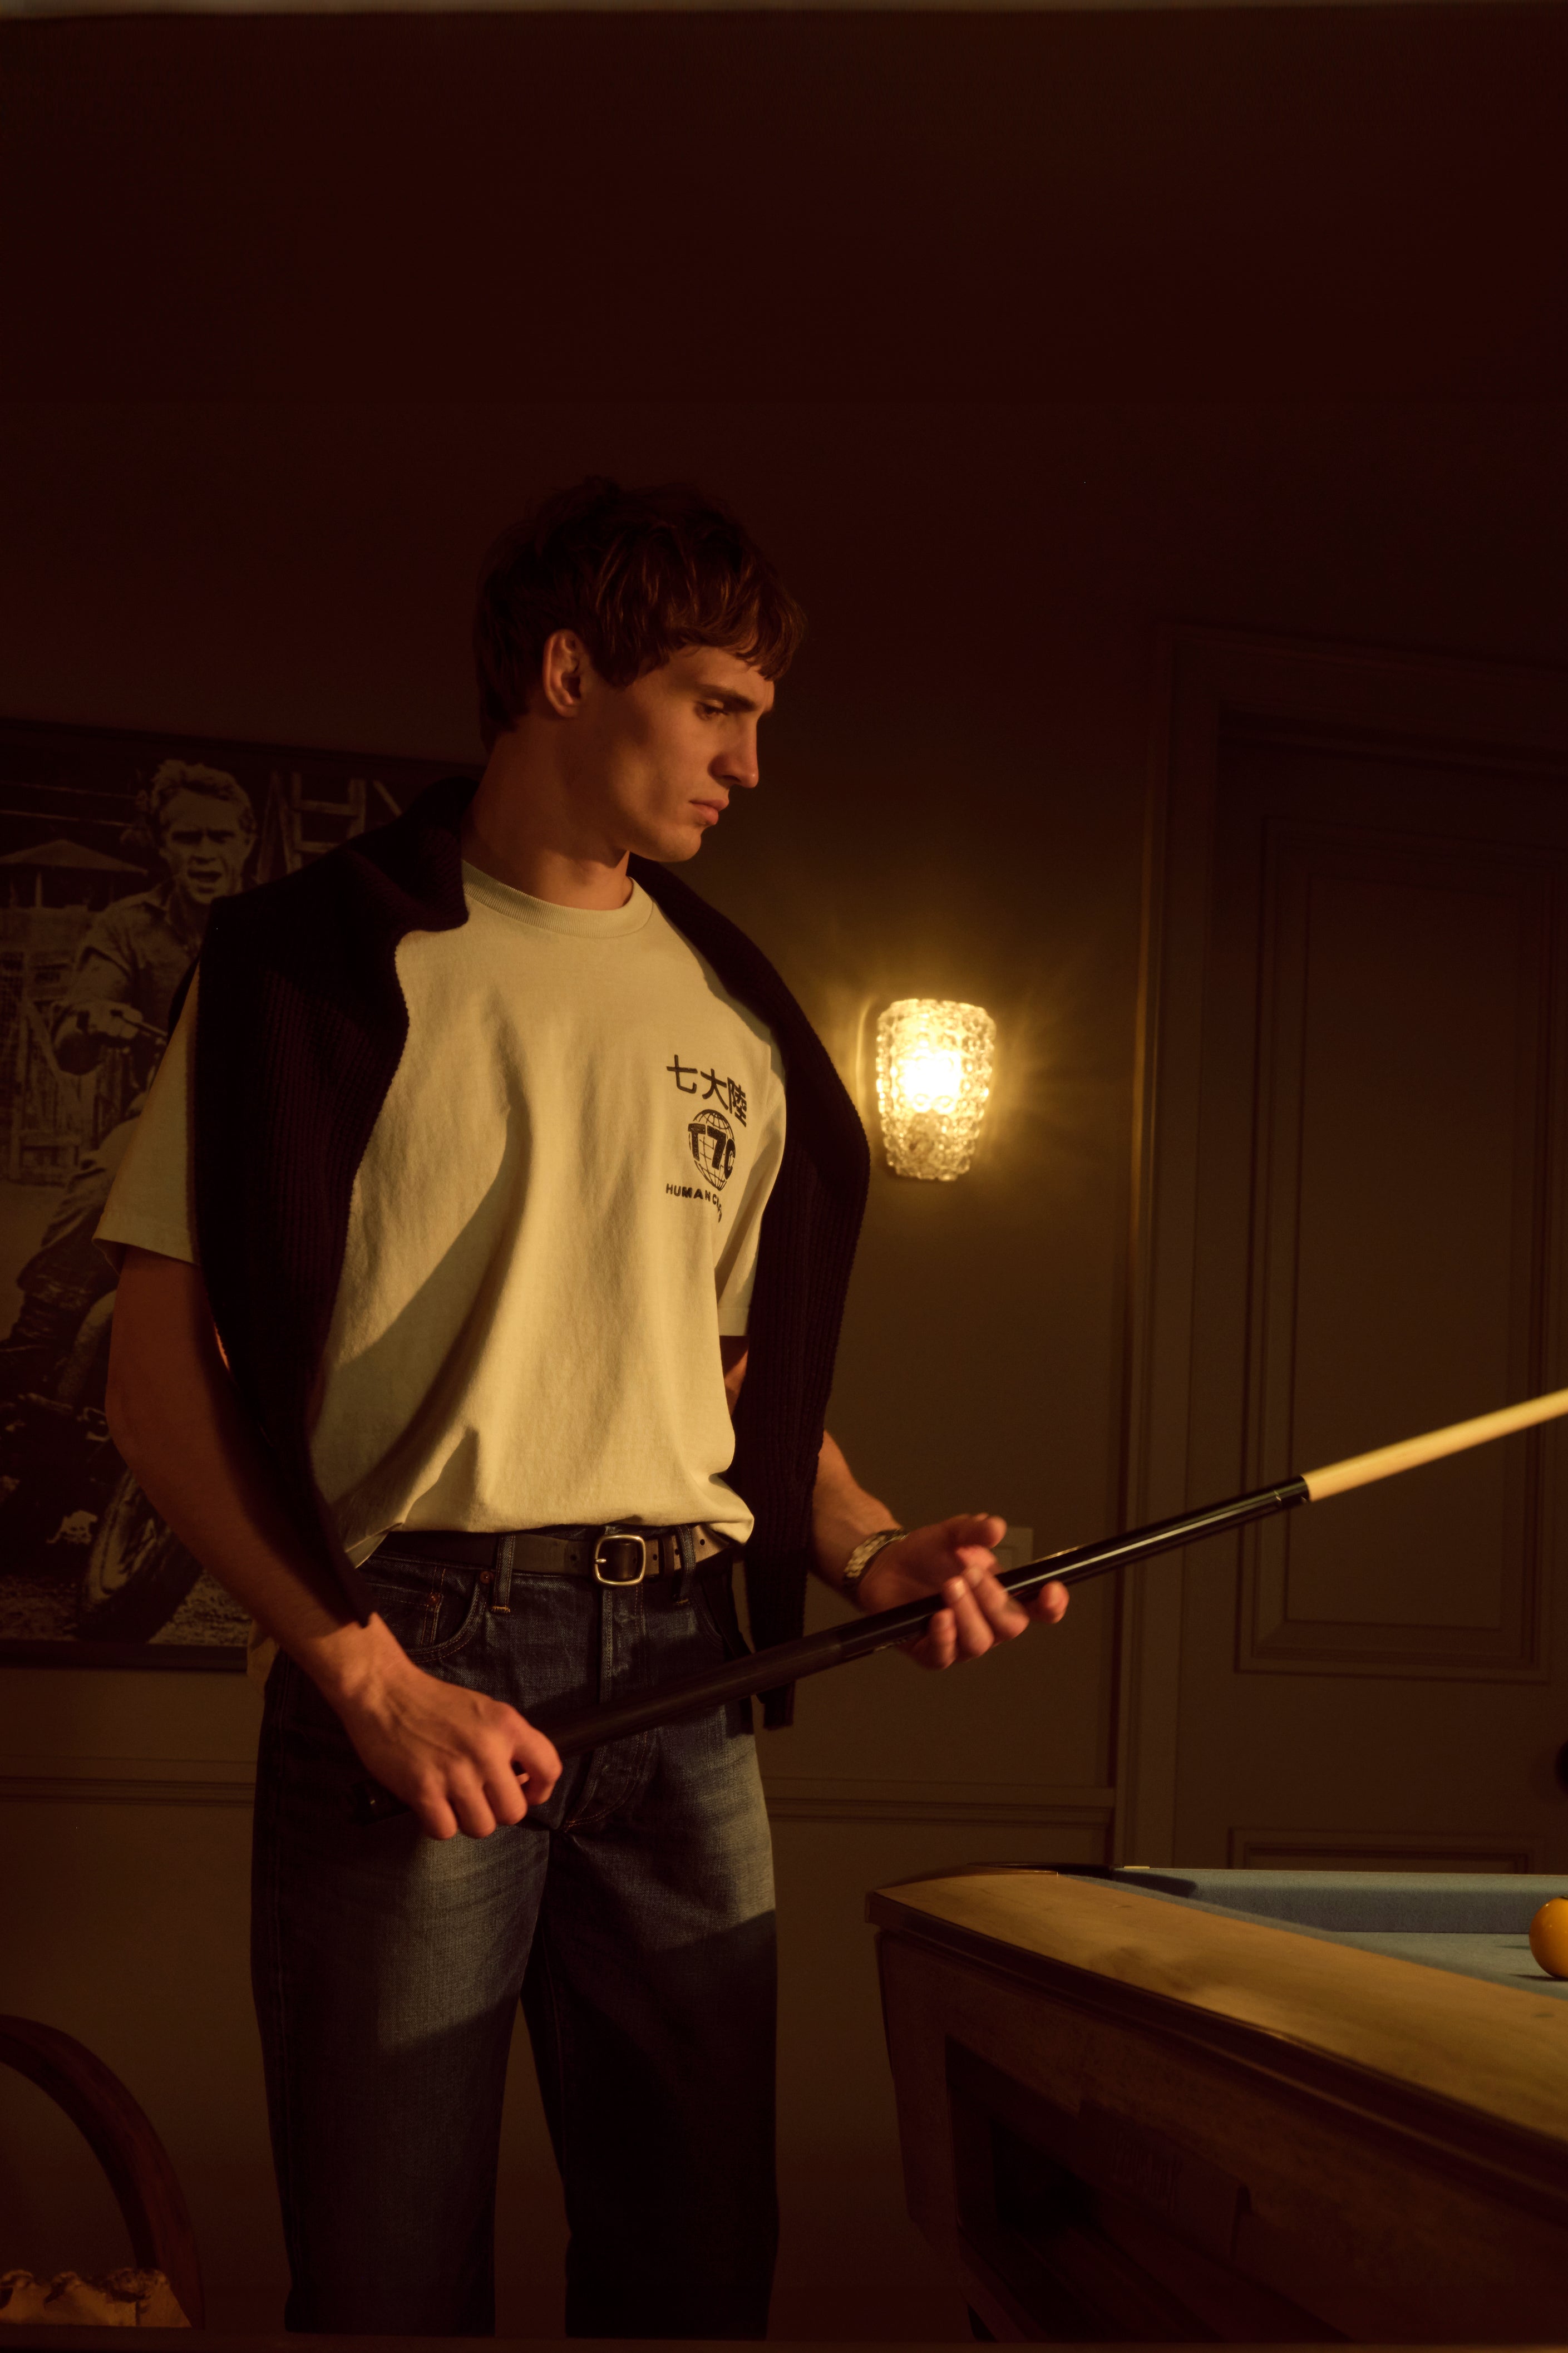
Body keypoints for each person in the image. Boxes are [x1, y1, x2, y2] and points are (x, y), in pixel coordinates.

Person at [96, 480, 1069, 2339]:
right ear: (565, 671)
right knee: (385, 2288)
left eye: (759, 715)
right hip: (415, 1654)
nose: (752, 761)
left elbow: (714, 1386)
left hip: (684, 1678)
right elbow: (155, 1394)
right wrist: (368, 1679)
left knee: (696, 2276)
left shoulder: (742, 1019)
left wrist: (862, 1539)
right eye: (717, 702)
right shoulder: (304, 965)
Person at [0, 764, 255, 1400]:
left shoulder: (287, 920)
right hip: (166, 1119)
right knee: (104, 1186)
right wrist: (92, 1020)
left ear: (246, 840)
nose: (205, 855)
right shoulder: (127, 926)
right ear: (162, 844)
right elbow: (71, 1044)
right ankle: (34, 1354)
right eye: (187, 839)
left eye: (220, 838)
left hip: (275, 1121)